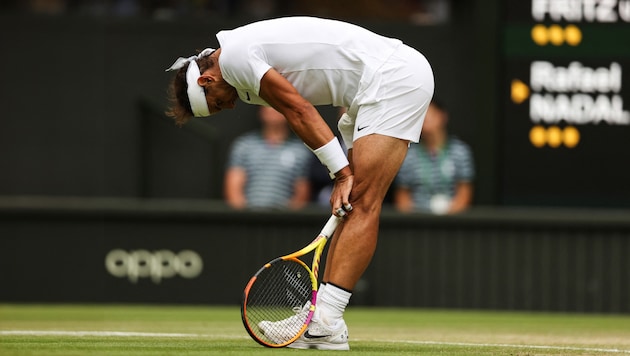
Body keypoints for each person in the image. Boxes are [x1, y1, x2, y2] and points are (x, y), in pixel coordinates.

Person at [165, 16, 434, 350]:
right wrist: (343, 170)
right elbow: (301, 111)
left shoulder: (234, 58)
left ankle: (326, 322)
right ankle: (322, 318)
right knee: (352, 206)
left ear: (207, 79)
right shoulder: (241, 79)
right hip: (366, 92)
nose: (230, 105)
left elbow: (300, 111)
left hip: (393, 77)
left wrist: (342, 174)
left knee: (363, 199)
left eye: (219, 101)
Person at [394, 99, 474, 214]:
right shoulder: (408, 154)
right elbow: (402, 196)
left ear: (443, 116)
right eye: (421, 115)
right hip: (417, 223)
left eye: (429, 114)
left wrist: (449, 218)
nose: (425, 119)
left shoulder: (460, 151)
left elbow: (464, 192)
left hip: (452, 222)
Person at [224, 106, 312, 210]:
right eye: (267, 105)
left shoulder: (301, 151)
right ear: (261, 111)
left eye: (276, 106)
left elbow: (301, 195)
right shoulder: (243, 145)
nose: (272, 110)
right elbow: (233, 191)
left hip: (283, 222)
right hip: (247, 219)